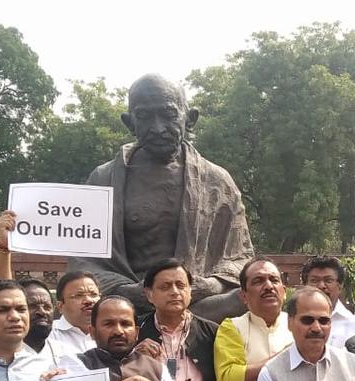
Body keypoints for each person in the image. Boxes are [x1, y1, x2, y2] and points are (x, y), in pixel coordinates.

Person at [67, 74, 254, 322]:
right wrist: (126, 291)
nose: (157, 128)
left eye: (168, 114)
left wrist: (210, 285)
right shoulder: (104, 178)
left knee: (240, 300)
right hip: (127, 305)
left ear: (190, 118)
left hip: (197, 302)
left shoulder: (217, 181)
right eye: (144, 117)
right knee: (97, 305)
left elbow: (241, 258)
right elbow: (83, 260)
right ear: (129, 123)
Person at [301, 255, 355, 348]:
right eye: (314, 280)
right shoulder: (290, 326)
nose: (321, 286)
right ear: (305, 286)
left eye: (328, 280)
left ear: (340, 286)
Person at [44, 271, 100, 363]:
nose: (88, 300)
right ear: (60, 306)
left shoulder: (111, 332)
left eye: (93, 295)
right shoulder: (48, 335)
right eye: (78, 295)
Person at [20, 278, 56, 354]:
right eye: (32, 306)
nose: (42, 312)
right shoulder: (3, 355)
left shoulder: (66, 354)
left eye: (47, 307)